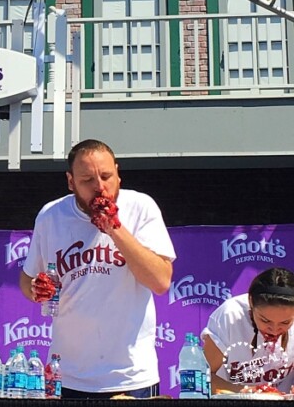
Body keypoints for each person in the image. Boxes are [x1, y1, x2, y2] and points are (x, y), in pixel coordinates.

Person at [20, 139, 176, 398]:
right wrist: (37, 288)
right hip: (67, 374)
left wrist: (115, 228)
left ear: (118, 173)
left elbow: (161, 280)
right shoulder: (51, 216)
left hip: (130, 375)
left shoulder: (140, 207)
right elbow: (27, 279)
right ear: (71, 182)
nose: (100, 187)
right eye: (88, 180)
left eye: (106, 176)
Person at [201, 267, 294, 394]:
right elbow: (201, 376)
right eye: (265, 321)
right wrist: (248, 393)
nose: (274, 330)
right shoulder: (230, 315)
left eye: (285, 322)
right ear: (251, 302)